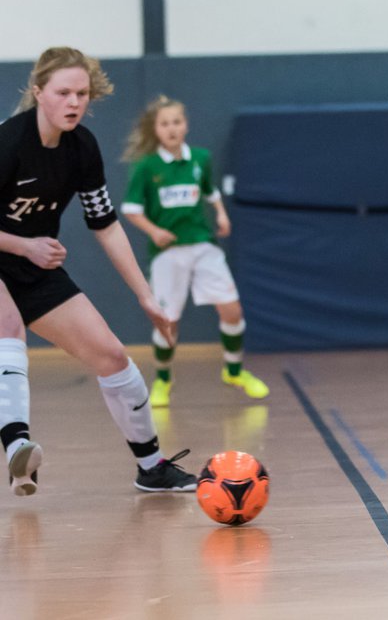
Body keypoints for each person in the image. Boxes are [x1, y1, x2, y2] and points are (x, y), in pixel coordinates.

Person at [0, 47, 200, 495]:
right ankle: (17, 447)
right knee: (7, 324)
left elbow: (105, 224)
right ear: (39, 93)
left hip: (34, 264)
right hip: (18, 252)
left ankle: (152, 467)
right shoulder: (9, 143)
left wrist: (146, 297)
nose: (74, 102)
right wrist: (24, 244)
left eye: (82, 93)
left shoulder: (82, 148)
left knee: (112, 356)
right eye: (63, 92)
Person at [121, 96, 268, 408]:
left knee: (232, 310)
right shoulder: (147, 167)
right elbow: (131, 210)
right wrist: (155, 231)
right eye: (165, 123)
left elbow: (210, 191)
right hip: (168, 254)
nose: (172, 128)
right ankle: (162, 379)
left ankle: (234, 371)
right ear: (156, 129)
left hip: (203, 246)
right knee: (168, 322)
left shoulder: (200, 158)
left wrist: (222, 213)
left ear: (185, 125)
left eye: (177, 122)